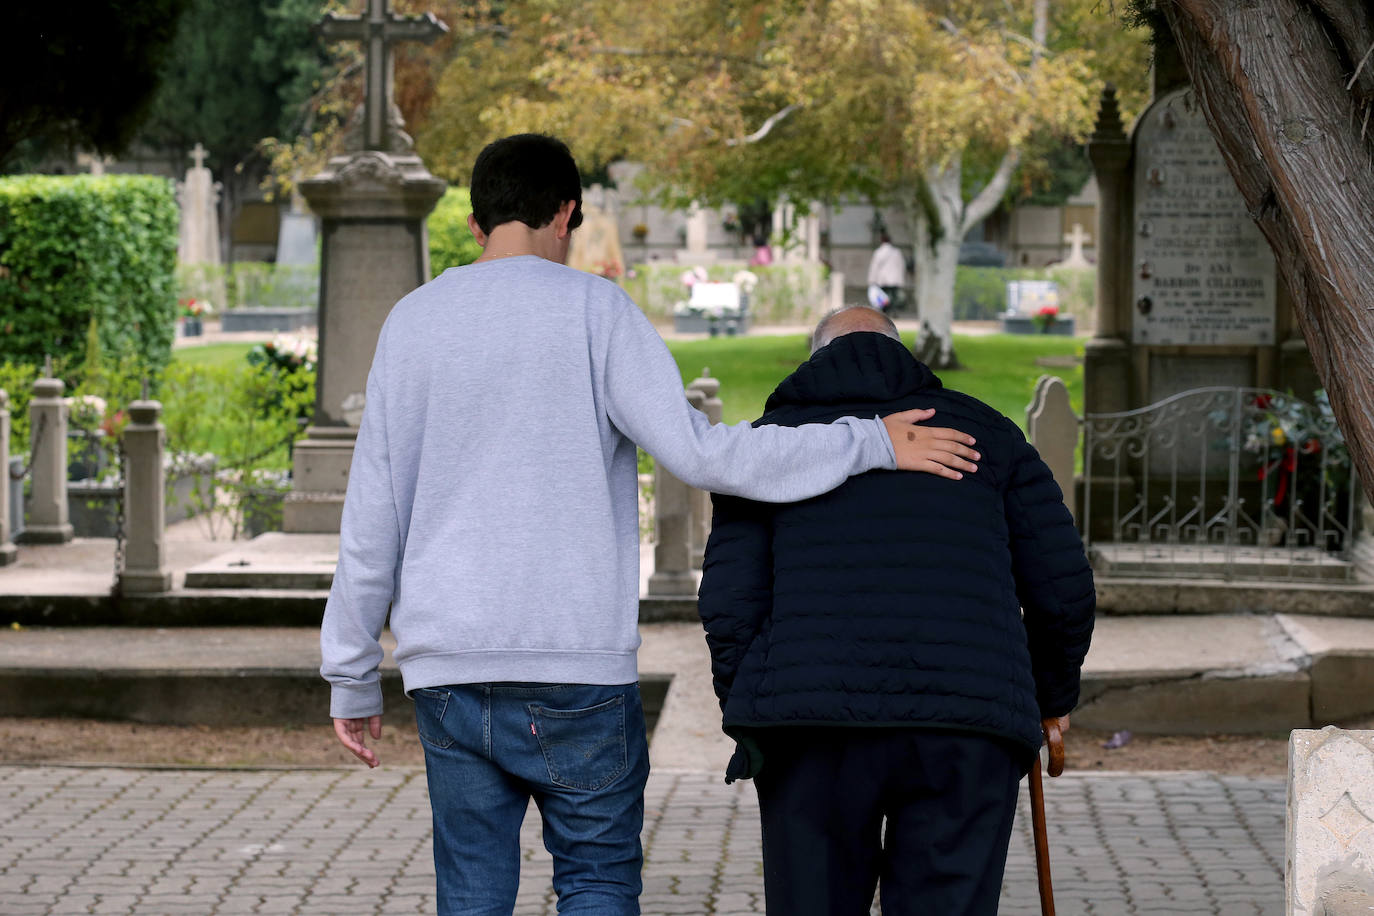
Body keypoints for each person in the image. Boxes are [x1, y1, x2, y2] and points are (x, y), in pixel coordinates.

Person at [319, 135, 982, 915]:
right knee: (597, 881)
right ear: (566, 213)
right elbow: (701, 455)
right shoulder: (596, 311)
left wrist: (351, 671)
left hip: (447, 668)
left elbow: (373, 513)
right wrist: (869, 440)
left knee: (471, 891)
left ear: (474, 224)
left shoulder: (413, 322)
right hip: (577, 670)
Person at [697, 305, 1096, 916]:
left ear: (815, 357)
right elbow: (1062, 589)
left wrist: (755, 700)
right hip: (966, 725)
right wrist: (1051, 696)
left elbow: (728, 604)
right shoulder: (987, 434)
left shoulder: (771, 444)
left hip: (810, 729)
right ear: (904, 354)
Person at [867, 231, 907, 312]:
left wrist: (872, 280)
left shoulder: (878, 252)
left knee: (884, 297)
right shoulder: (896, 252)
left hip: (883, 279)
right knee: (893, 297)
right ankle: (894, 311)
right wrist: (901, 278)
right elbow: (901, 265)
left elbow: (874, 267)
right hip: (894, 279)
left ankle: (885, 312)